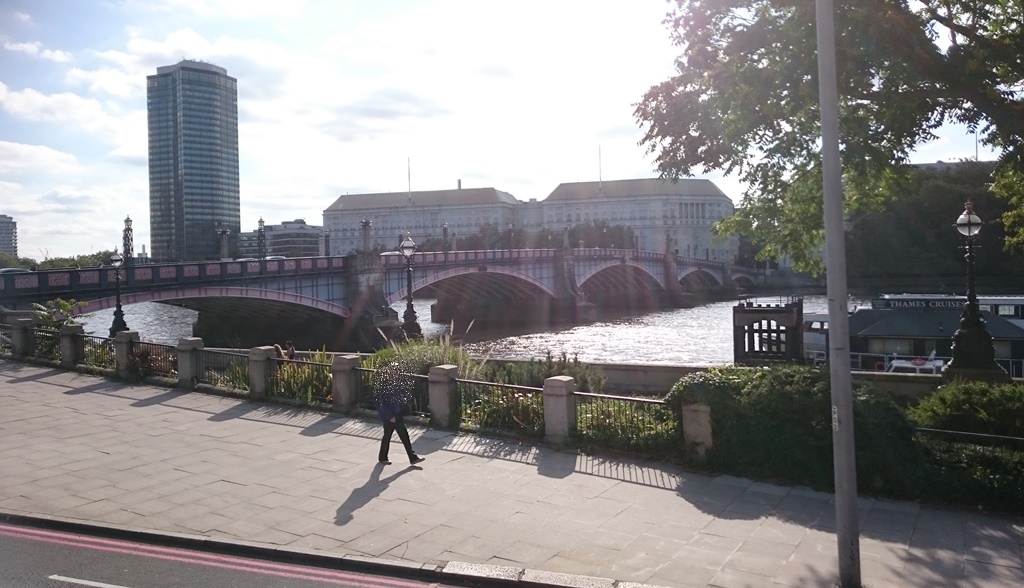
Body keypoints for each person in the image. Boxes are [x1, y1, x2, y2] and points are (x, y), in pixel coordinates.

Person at [373, 361, 424, 466]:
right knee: (387, 436)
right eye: (395, 371)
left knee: (403, 436)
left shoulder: (397, 383)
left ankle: (412, 457)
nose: (396, 373)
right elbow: (383, 402)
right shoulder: (385, 384)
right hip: (390, 416)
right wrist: (390, 416)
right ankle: (383, 457)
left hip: (397, 414)